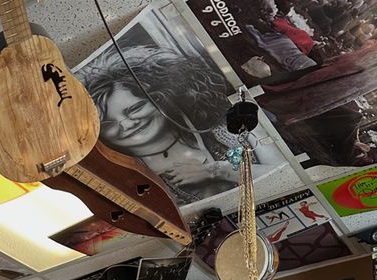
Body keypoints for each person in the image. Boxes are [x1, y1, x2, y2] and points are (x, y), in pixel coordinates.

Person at [78, 43, 279, 205]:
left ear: (160, 98)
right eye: (108, 123)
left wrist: (215, 170)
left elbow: (282, 169)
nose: (126, 124)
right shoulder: (131, 180)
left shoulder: (226, 125)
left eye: (135, 109)